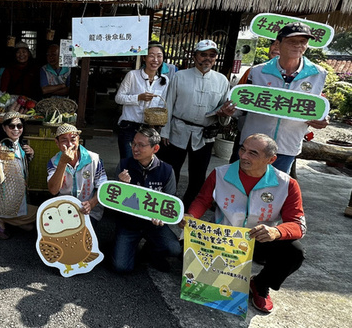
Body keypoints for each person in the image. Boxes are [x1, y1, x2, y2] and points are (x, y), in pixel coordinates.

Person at [181, 134, 306, 313]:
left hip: (259, 240)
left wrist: (275, 232)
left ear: (271, 159)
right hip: (223, 240)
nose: (244, 156)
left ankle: (260, 283)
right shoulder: (220, 173)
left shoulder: (287, 184)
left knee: (294, 252)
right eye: (243, 149)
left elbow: (297, 224)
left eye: (253, 153)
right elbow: (202, 200)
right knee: (183, 255)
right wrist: (191, 216)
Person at [239, 22, 329, 174]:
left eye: (303, 42)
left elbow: (317, 105)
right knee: (242, 187)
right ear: (278, 43)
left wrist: (322, 119)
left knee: (274, 192)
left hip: (287, 146)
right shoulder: (257, 72)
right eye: (292, 41)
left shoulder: (319, 74)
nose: (298, 46)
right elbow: (240, 106)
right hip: (253, 146)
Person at [159, 39, 236, 207]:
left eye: (211, 55)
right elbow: (168, 104)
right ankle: (167, 204)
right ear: (195, 56)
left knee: (198, 174)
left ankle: (189, 208)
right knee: (171, 170)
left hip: (204, 134)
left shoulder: (222, 80)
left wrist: (225, 114)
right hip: (178, 130)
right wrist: (164, 131)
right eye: (203, 54)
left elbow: (224, 111)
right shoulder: (180, 76)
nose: (207, 59)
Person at [113, 128, 181, 273]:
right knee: (121, 267)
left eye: (141, 145)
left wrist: (162, 218)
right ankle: (127, 247)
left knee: (174, 249)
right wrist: (121, 186)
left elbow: (170, 202)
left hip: (154, 225)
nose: (135, 148)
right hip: (129, 224)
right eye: (133, 143)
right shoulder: (124, 165)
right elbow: (112, 201)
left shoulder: (167, 170)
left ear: (155, 148)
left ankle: (150, 251)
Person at [0, 111, 38, 239]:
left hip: (18, 198)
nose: (16, 129)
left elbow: (20, 168)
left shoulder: (20, 146)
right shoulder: (0, 149)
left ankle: (3, 221)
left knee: (29, 227)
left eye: (19, 126)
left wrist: (31, 154)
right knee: (42, 213)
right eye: (11, 126)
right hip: (6, 202)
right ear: (4, 128)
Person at [115, 41, 170, 159]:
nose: (155, 60)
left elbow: (162, 105)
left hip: (150, 129)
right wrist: (138, 98)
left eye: (159, 56)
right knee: (128, 162)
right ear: (144, 58)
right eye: (151, 55)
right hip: (129, 127)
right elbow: (119, 98)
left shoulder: (164, 80)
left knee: (144, 163)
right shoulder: (133, 75)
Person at [47, 123, 107, 226]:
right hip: (63, 210)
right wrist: (62, 163)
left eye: (73, 139)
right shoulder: (54, 162)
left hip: (89, 211)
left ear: (79, 140)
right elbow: (53, 190)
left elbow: (103, 187)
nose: (69, 144)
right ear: (57, 143)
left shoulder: (94, 159)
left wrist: (91, 203)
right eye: (64, 140)